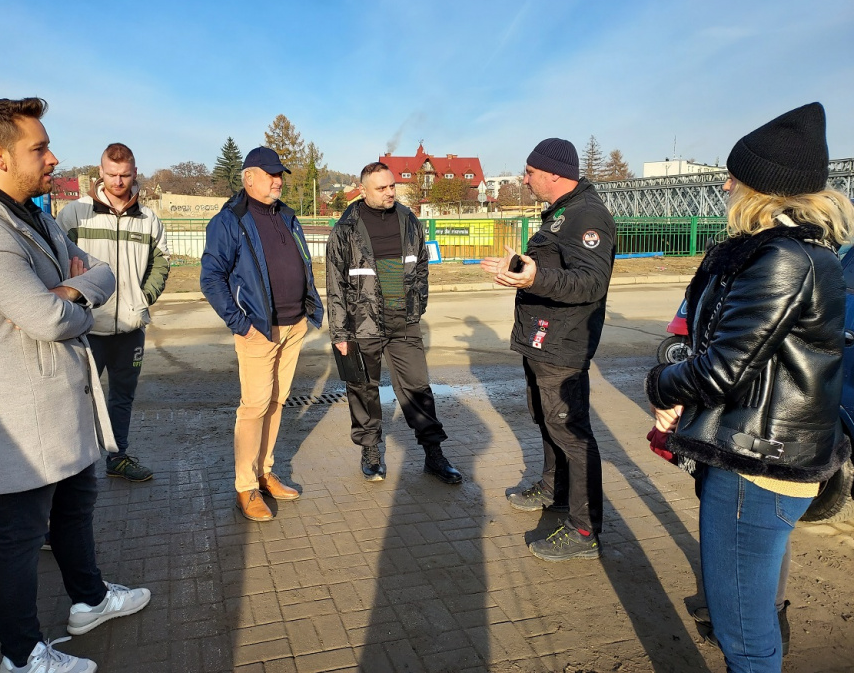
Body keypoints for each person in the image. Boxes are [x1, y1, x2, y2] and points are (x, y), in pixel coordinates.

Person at [0, 98, 151, 673]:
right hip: (21, 416)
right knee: (19, 535)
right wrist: (73, 302)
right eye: (39, 147)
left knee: (76, 511)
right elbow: (49, 320)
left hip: (64, 404)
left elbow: (99, 269)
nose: (53, 156)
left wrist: (71, 291)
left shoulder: (30, 216)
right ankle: (21, 654)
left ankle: (88, 600)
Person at [645, 102, 854, 672]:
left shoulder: (783, 259)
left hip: (758, 463)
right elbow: (747, 357)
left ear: (760, 186)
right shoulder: (793, 253)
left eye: (733, 174)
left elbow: (721, 368)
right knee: (747, 617)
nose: (724, 183)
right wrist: (681, 398)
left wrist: (662, 384)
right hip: (757, 445)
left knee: (745, 634)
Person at [481, 138, 614, 561]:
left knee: (572, 434)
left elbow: (591, 282)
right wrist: (521, 270)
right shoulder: (561, 213)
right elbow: (555, 268)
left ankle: (585, 530)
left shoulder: (587, 216)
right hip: (542, 339)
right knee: (548, 421)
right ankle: (554, 491)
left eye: (530, 172)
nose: (525, 178)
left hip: (563, 345)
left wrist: (535, 278)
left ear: (554, 174)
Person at [200, 146, 323, 522]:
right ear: (248, 177)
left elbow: (302, 262)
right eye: (270, 174)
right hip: (258, 329)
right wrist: (242, 324)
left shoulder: (287, 216)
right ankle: (245, 487)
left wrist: (309, 307)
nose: (278, 180)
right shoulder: (229, 220)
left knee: (277, 401)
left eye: (280, 174)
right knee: (253, 407)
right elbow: (211, 278)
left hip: (293, 325)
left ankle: (265, 472)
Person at [326, 162, 462, 484]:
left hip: (404, 322)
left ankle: (433, 454)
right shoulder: (345, 228)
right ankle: (371, 450)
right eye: (381, 188)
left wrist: (418, 305)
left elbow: (423, 264)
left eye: (392, 186)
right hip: (363, 324)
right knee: (363, 389)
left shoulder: (408, 219)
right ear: (363, 191)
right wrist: (340, 332)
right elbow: (334, 285)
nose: (390, 192)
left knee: (418, 388)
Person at [57, 143, 170, 482]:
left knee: (122, 397)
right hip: (87, 326)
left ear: (135, 173)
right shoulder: (75, 214)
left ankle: (117, 456)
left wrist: (143, 297)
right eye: (111, 174)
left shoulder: (149, 219)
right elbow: (56, 260)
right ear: (100, 172)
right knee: (76, 400)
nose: (118, 181)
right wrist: (76, 300)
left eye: (125, 175)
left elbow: (161, 262)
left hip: (131, 327)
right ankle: (73, 469)